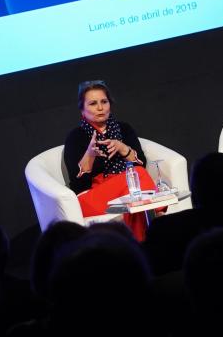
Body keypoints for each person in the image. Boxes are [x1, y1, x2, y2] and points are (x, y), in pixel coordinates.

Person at [63, 80, 156, 240]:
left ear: (110, 104)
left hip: (127, 193)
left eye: (104, 102)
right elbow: (78, 183)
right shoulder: (76, 137)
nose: (100, 108)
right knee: (137, 176)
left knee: (135, 200)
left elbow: (142, 161)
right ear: (82, 110)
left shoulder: (124, 129)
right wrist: (90, 154)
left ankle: (138, 250)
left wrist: (122, 148)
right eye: (93, 103)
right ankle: (158, 209)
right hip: (91, 197)